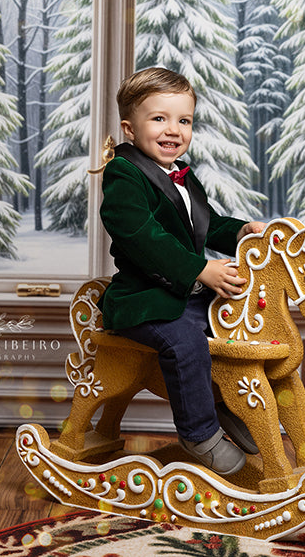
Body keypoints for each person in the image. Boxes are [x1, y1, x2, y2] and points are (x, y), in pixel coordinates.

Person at [98, 67, 264, 476]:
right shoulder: (124, 174)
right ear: (129, 129)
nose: (173, 130)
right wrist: (200, 268)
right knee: (186, 341)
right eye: (159, 118)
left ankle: (226, 404)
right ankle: (199, 433)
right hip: (144, 300)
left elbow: (204, 224)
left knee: (232, 324)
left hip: (185, 294)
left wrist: (240, 232)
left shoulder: (184, 176)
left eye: (184, 120)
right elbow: (144, 238)